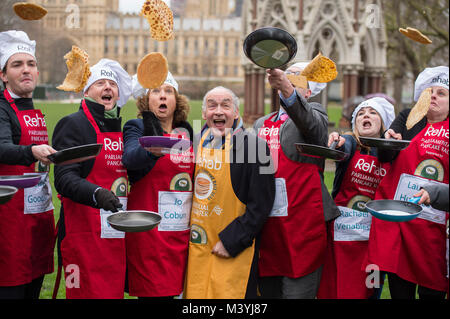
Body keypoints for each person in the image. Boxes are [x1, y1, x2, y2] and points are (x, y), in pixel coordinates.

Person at [253, 62, 340, 299]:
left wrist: (290, 92)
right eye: (287, 78)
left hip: (304, 225)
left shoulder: (317, 115)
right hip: (269, 225)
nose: (289, 82)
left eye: (296, 81)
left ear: (308, 93)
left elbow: (313, 127)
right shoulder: (261, 123)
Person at [183, 86, 275, 299]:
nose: (218, 111)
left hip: (232, 251)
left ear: (236, 112)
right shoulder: (192, 145)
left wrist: (232, 241)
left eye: (226, 105)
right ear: (204, 113)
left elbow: (262, 204)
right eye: (212, 105)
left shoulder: (256, 147)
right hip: (195, 249)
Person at [366, 66, 449, 299]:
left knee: (432, 288)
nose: (433, 96)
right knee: (399, 289)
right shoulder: (408, 119)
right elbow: (384, 158)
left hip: (433, 224)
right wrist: (388, 140)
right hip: (400, 220)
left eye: (441, 93)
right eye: (429, 92)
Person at [52, 59, 132, 299]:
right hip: (83, 236)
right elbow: (64, 178)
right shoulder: (73, 124)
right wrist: (97, 193)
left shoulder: (119, 129)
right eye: (100, 83)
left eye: (112, 84)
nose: (108, 87)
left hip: (114, 237)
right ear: (87, 91)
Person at [123, 72, 194, 299]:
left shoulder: (188, 132)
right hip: (151, 232)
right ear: (146, 99)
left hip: (183, 232)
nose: (163, 96)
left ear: (176, 100)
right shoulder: (136, 127)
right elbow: (130, 158)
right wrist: (152, 151)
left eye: (168, 91)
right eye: (156, 91)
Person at [317, 97, 395, 299]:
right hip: (341, 235)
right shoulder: (351, 141)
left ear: (383, 123)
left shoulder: (390, 152)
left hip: (374, 238)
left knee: (371, 288)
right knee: (335, 287)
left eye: (372, 112)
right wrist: (338, 143)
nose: (365, 115)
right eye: (361, 113)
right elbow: (344, 147)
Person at [0, 30, 56, 299]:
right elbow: (2, 148)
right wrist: (32, 151)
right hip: (8, 223)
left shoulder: (32, 108)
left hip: (37, 216)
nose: (26, 70)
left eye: (31, 64)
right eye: (17, 64)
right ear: (3, 75)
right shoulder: (2, 107)